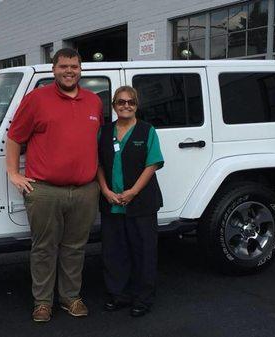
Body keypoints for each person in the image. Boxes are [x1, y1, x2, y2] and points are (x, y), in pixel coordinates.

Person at [6, 48, 103, 323]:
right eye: (63, 66)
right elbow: (15, 138)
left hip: (85, 190)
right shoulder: (36, 99)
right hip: (45, 191)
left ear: (81, 69)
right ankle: (43, 302)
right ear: (54, 69)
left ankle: (71, 298)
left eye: (74, 66)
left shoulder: (94, 102)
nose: (69, 71)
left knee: (75, 248)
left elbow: (93, 140)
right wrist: (14, 173)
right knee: (43, 248)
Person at [97, 86, 164, 317]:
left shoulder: (147, 131)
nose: (126, 106)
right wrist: (105, 190)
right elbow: (98, 165)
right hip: (111, 201)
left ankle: (142, 299)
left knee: (143, 252)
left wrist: (133, 192)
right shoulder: (104, 132)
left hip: (141, 202)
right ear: (114, 106)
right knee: (114, 252)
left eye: (131, 102)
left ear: (136, 105)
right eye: (121, 102)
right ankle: (119, 295)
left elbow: (152, 164)